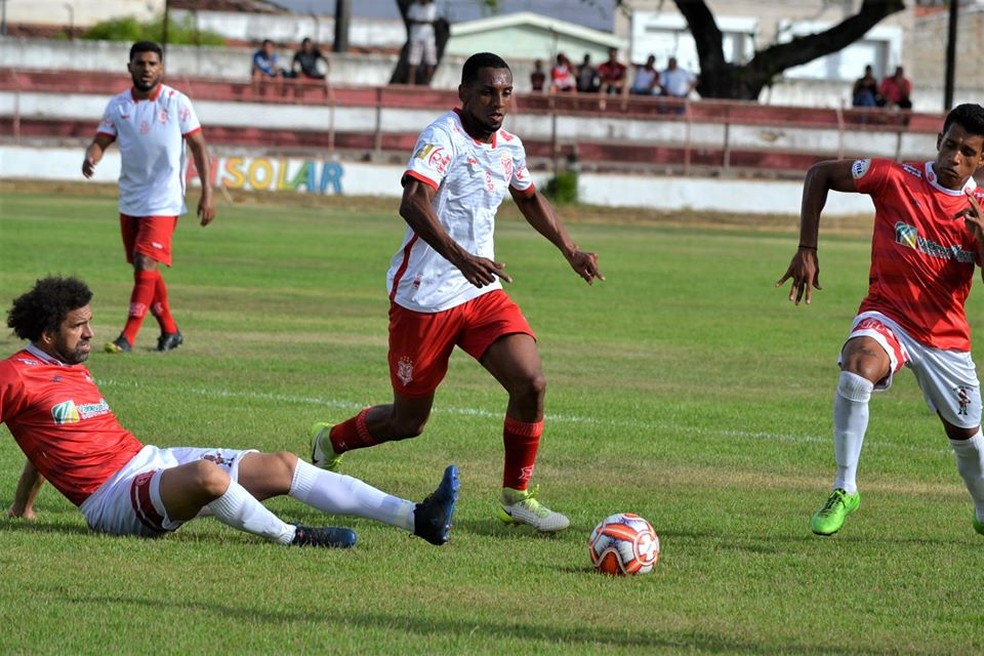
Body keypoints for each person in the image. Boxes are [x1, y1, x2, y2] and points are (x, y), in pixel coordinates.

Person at [309, 52, 604, 533]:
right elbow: (413, 202)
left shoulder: (509, 146)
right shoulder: (442, 137)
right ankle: (331, 440)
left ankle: (517, 496)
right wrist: (460, 257)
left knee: (530, 383)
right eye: (488, 91)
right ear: (464, 93)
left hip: (481, 291)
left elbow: (528, 197)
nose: (498, 102)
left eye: (506, 92)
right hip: (424, 297)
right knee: (409, 423)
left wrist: (570, 249)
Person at [1, 276, 459, 549]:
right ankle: (294, 538)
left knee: (282, 466)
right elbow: (39, 431)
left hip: (150, 461)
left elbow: (47, 438)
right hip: (113, 501)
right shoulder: (15, 375)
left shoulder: (68, 366)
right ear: (45, 334)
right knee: (207, 476)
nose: (90, 333)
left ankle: (419, 518)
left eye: (89, 321)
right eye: (78, 326)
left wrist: (22, 506)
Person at [775, 103, 984, 538]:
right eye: (949, 146)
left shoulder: (981, 211)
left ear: (982, 160)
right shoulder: (895, 179)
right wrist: (807, 248)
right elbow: (819, 174)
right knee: (856, 371)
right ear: (937, 141)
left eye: (967, 152)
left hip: (945, 339)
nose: (954, 159)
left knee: (967, 439)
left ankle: (982, 507)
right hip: (887, 314)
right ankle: (845, 487)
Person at [82, 41, 216, 355]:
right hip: (130, 198)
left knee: (145, 262)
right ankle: (170, 331)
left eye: (152, 63)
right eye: (140, 63)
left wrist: (207, 193)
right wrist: (92, 156)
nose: (146, 69)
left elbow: (199, 146)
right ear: (130, 67)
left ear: (161, 68)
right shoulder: (118, 105)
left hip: (164, 199)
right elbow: (101, 140)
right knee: (145, 271)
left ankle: (127, 337)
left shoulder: (176, 102)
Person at [406, 0, 438, 86]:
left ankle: (428, 83)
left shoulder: (432, 7)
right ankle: (411, 83)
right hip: (416, 37)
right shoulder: (414, 7)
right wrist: (423, 22)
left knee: (430, 61)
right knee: (413, 61)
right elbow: (410, 20)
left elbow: (434, 21)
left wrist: (422, 21)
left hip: (429, 37)